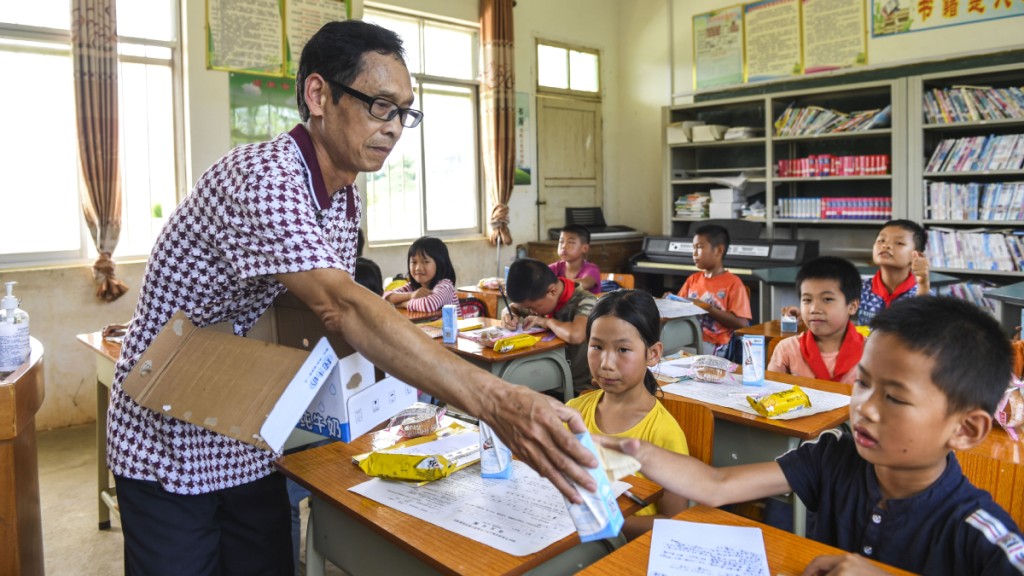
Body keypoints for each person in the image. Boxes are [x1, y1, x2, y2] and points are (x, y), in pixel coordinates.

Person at [106, 21, 596, 576]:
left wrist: (398, 405)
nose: (394, 128)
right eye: (380, 106)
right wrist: (496, 401)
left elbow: (325, 319)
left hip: (245, 421)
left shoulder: (342, 198)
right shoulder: (263, 177)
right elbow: (341, 306)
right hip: (167, 428)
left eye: (404, 112)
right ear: (319, 95)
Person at [596, 296, 1024, 575]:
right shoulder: (834, 457)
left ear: (965, 429)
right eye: (863, 383)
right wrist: (632, 450)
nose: (864, 407)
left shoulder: (981, 533)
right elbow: (716, 484)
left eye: (894, 397)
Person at [567, 290, 688, 539]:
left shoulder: (663, 432)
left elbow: (673, 522)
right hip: (571, 541)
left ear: (653, 354)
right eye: (596, 346)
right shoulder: (574, 411)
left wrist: (609, 522)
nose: (606, 363)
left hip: (627, 551)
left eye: (622, 350)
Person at [502, 258, 597, 395]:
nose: (532, 311)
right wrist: (508, 314)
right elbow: (513, 308)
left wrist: (546, 322)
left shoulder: (586, 300)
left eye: (533, 308)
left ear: (552, 291)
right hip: (542, 382)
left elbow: (576, 335)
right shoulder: (539, 299)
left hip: (575, 389)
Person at [767, 256, 864, 384]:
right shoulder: (787, 349)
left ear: (852, 306)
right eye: (807, 300)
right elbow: (770, 392)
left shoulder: (872, 354)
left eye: (827, 299)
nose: (814, 309)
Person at [674, 224, 751, 359]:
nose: (694, 253)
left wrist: (708, 308)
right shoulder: (693, 280)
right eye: (693, 248)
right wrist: (670, 302)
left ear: (718, 250)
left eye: (699, 247)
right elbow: (677, 308)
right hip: (689, 339)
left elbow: (741, 323)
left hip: (715, 344)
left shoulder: (733, 283)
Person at [859, 219, 930, 326]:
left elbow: (922, 327)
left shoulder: (923, 292)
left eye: (899, 243)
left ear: (917, 256)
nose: (886, 245)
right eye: (881, 240)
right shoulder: (859, 288)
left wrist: (923, 285)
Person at [383, 236, 459, 313]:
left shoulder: (445, 286)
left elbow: (429, 305)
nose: (418, 268)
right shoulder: (412, 287)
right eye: (414, 262)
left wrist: (403, 304)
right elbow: (386, 297)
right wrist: (410, 295)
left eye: (425, 262)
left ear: (440, 264)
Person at [549, 224, 601, 295]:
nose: (564, 246)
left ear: (585, 248)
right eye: (561, 242)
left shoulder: (592, 269)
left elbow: (586, 283)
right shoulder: (554, 267)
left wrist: (557, 285)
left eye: (570, 242)